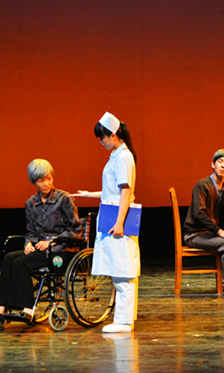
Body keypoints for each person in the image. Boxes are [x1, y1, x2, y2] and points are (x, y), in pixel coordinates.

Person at [0, 159, 80, 324]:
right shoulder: (31, 203)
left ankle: (28, 309)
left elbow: (75, 229)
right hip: (40, 250)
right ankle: (1, 307)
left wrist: (52, 241)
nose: (46, 184)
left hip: (60, 251)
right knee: (10, 258)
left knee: (21, 263)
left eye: (49, 178)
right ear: (34, 182)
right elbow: (31, 231)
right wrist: (28, 244)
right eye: (41, 180)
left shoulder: (64, 199)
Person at [73, 112, 139, 333]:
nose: (101, 141)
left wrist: (119, 223)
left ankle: (123, 321)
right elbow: (113, 191)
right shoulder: (117, 156)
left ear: (113, 135)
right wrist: (89, 194)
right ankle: (124, 319)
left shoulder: (123, 157)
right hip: (113, 214)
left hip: (117, 218)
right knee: (118, 268)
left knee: (122, 270)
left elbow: (125, 191)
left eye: (102, 137)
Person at [183, 149, 224, 296]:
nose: (223, 166)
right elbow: (199, 213)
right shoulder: (202, 185)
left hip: (209, 233)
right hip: (195, 234)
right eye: (220, 162)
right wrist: (219, 231)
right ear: (213, 165)